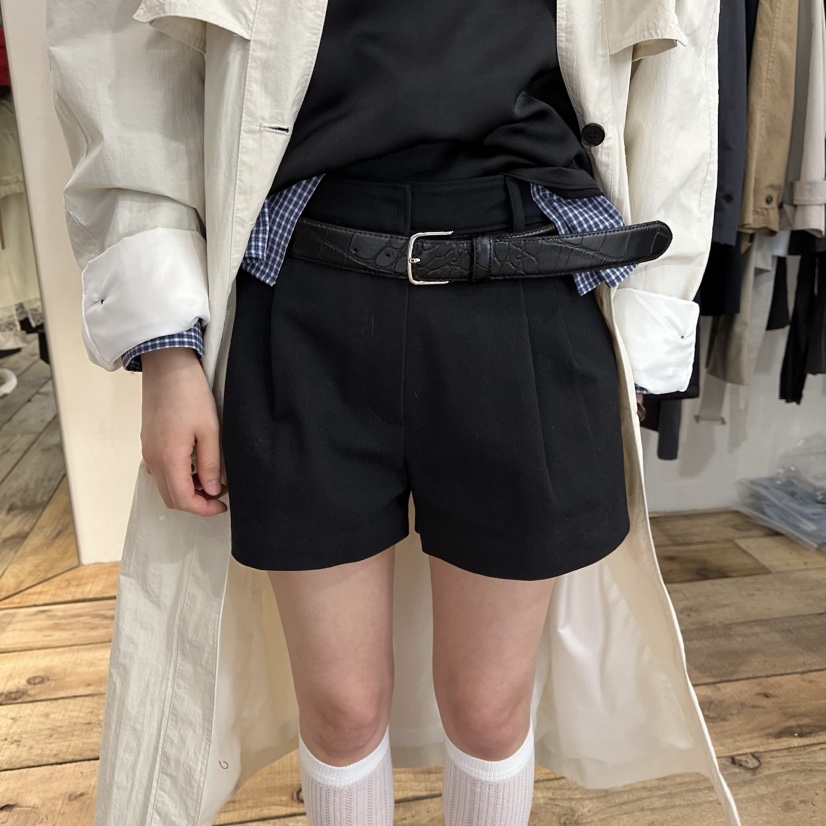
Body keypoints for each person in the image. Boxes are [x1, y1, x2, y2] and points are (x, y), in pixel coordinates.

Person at [46, 2, 741, 826]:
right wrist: (165, 349)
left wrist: (653, 314)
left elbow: (682, 68)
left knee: (490, 708)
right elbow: (119, 50)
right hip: (304, 285)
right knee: (340, 709)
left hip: (530, 283)